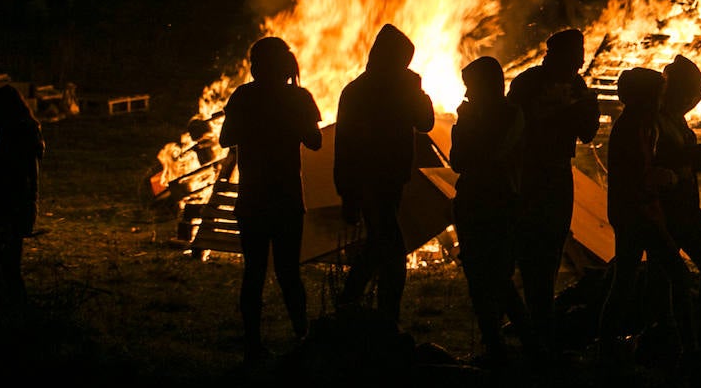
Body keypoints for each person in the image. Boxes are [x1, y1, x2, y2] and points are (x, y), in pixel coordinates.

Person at [217, 36, 323, 362]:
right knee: (289, 271)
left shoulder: (244, 96)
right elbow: (316, 141)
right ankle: (301, 336)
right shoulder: (299, 97)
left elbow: (225, 139)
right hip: (287, 197)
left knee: (255, 272)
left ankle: (253, 344)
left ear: (255, 67)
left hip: (253, 198)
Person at [506, 27, 600, 360]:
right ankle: (533, 324)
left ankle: (540, 323)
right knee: (532, 249)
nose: (581, 60)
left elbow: (586, 134)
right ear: (556, 54)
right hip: (530, 175)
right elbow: (513, 127)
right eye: (576, 53)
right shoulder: (528, 83)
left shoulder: (577, 85)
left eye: (581, 53)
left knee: (554, 240)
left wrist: (588, 109)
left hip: (560, 172)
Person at [334, 23, 435, 324]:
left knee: (378, 246)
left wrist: (417, 91)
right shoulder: (360, 92)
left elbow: (425, 122)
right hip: (371, 181)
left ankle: (350, 305)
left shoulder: (369, 89)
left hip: (388, 180)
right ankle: (383, 316)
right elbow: (346, 144)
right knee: (391, 251)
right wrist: (348, 193)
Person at [596, 67, 697, 368]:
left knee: (626, 280)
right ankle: (687, 345)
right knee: (676, 274)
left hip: (635, 212)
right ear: (644, 97)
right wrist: (669, 178)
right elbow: (638, 176)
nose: (661, 101)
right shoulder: (632, 129)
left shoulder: (639, 125)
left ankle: (610, 343)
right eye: (657, 95)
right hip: (638, 214)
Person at [450, 55, 529, 366]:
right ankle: (497, 344)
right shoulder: (474, 116)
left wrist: (469, 125)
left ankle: (519, 344)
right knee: (478, 276)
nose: (467, 94)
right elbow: (459, 160)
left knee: (497, 277)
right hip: (472, 201)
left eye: (471, 87)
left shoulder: (511, 115)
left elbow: (489, 154)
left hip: (499, 203)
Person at [654, 54, 701, 330]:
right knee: (681, 270)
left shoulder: (674, 119)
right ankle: (682, 327)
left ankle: (690, 323)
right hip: (669, 209)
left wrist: (699, 157)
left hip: (685, 205)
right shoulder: (656, 120)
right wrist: (690, 156)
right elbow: (655, 161)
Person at [0, 83, 45, 304]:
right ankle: (0, 300)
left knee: (8, 263)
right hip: (18, 204)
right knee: (4, 259)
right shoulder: (25, 131)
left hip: (11, 205)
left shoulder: (16, 135)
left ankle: (16, 305)